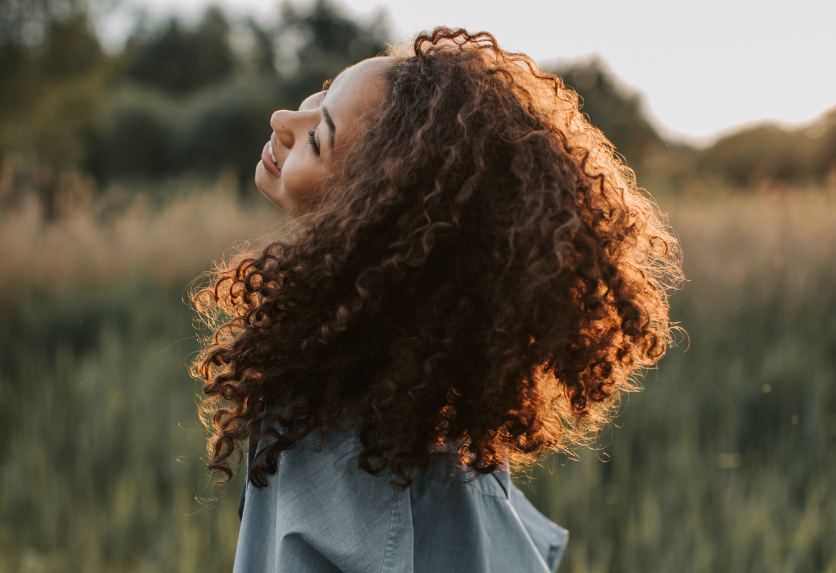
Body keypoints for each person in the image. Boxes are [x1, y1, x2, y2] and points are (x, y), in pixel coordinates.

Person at [193, 27, 681, 573]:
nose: (285, 120)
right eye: (320, 98)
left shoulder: (340, 417)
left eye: (319, 137)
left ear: (375, 214)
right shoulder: (415, 395)